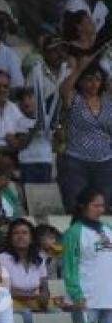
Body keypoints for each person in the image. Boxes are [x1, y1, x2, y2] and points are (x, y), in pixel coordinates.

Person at [63, 187, 112, 323]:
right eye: (96, 205)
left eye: (102, 205)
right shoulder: (74, 232)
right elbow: (69, 267)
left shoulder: (108, 229)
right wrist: (76, 294)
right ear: (83, 206)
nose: (100, 209)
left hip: (108, 300)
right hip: (87, 300)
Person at [58, 58, 112, 212]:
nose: (94, 83)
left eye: (97, 79)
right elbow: (63, 91)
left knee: (103, 206)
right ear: (80, 81)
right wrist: (78, 69)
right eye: (89, 79)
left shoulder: (108, 100)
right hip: (76, 161)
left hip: (105, 161)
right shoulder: (75, 98)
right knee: (75, 205)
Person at [0, 218, 51, 323]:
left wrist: (44, 296)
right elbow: (5, 291)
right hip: (10, 305)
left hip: (34, 303)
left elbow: (44, 286)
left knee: (56, 313)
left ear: (31, 238)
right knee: (26, 314)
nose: (20, 237)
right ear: (10, 238)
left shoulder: (39, 259)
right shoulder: (1, 259)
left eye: (25, 233)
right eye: (16, 233)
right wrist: (33, 296)